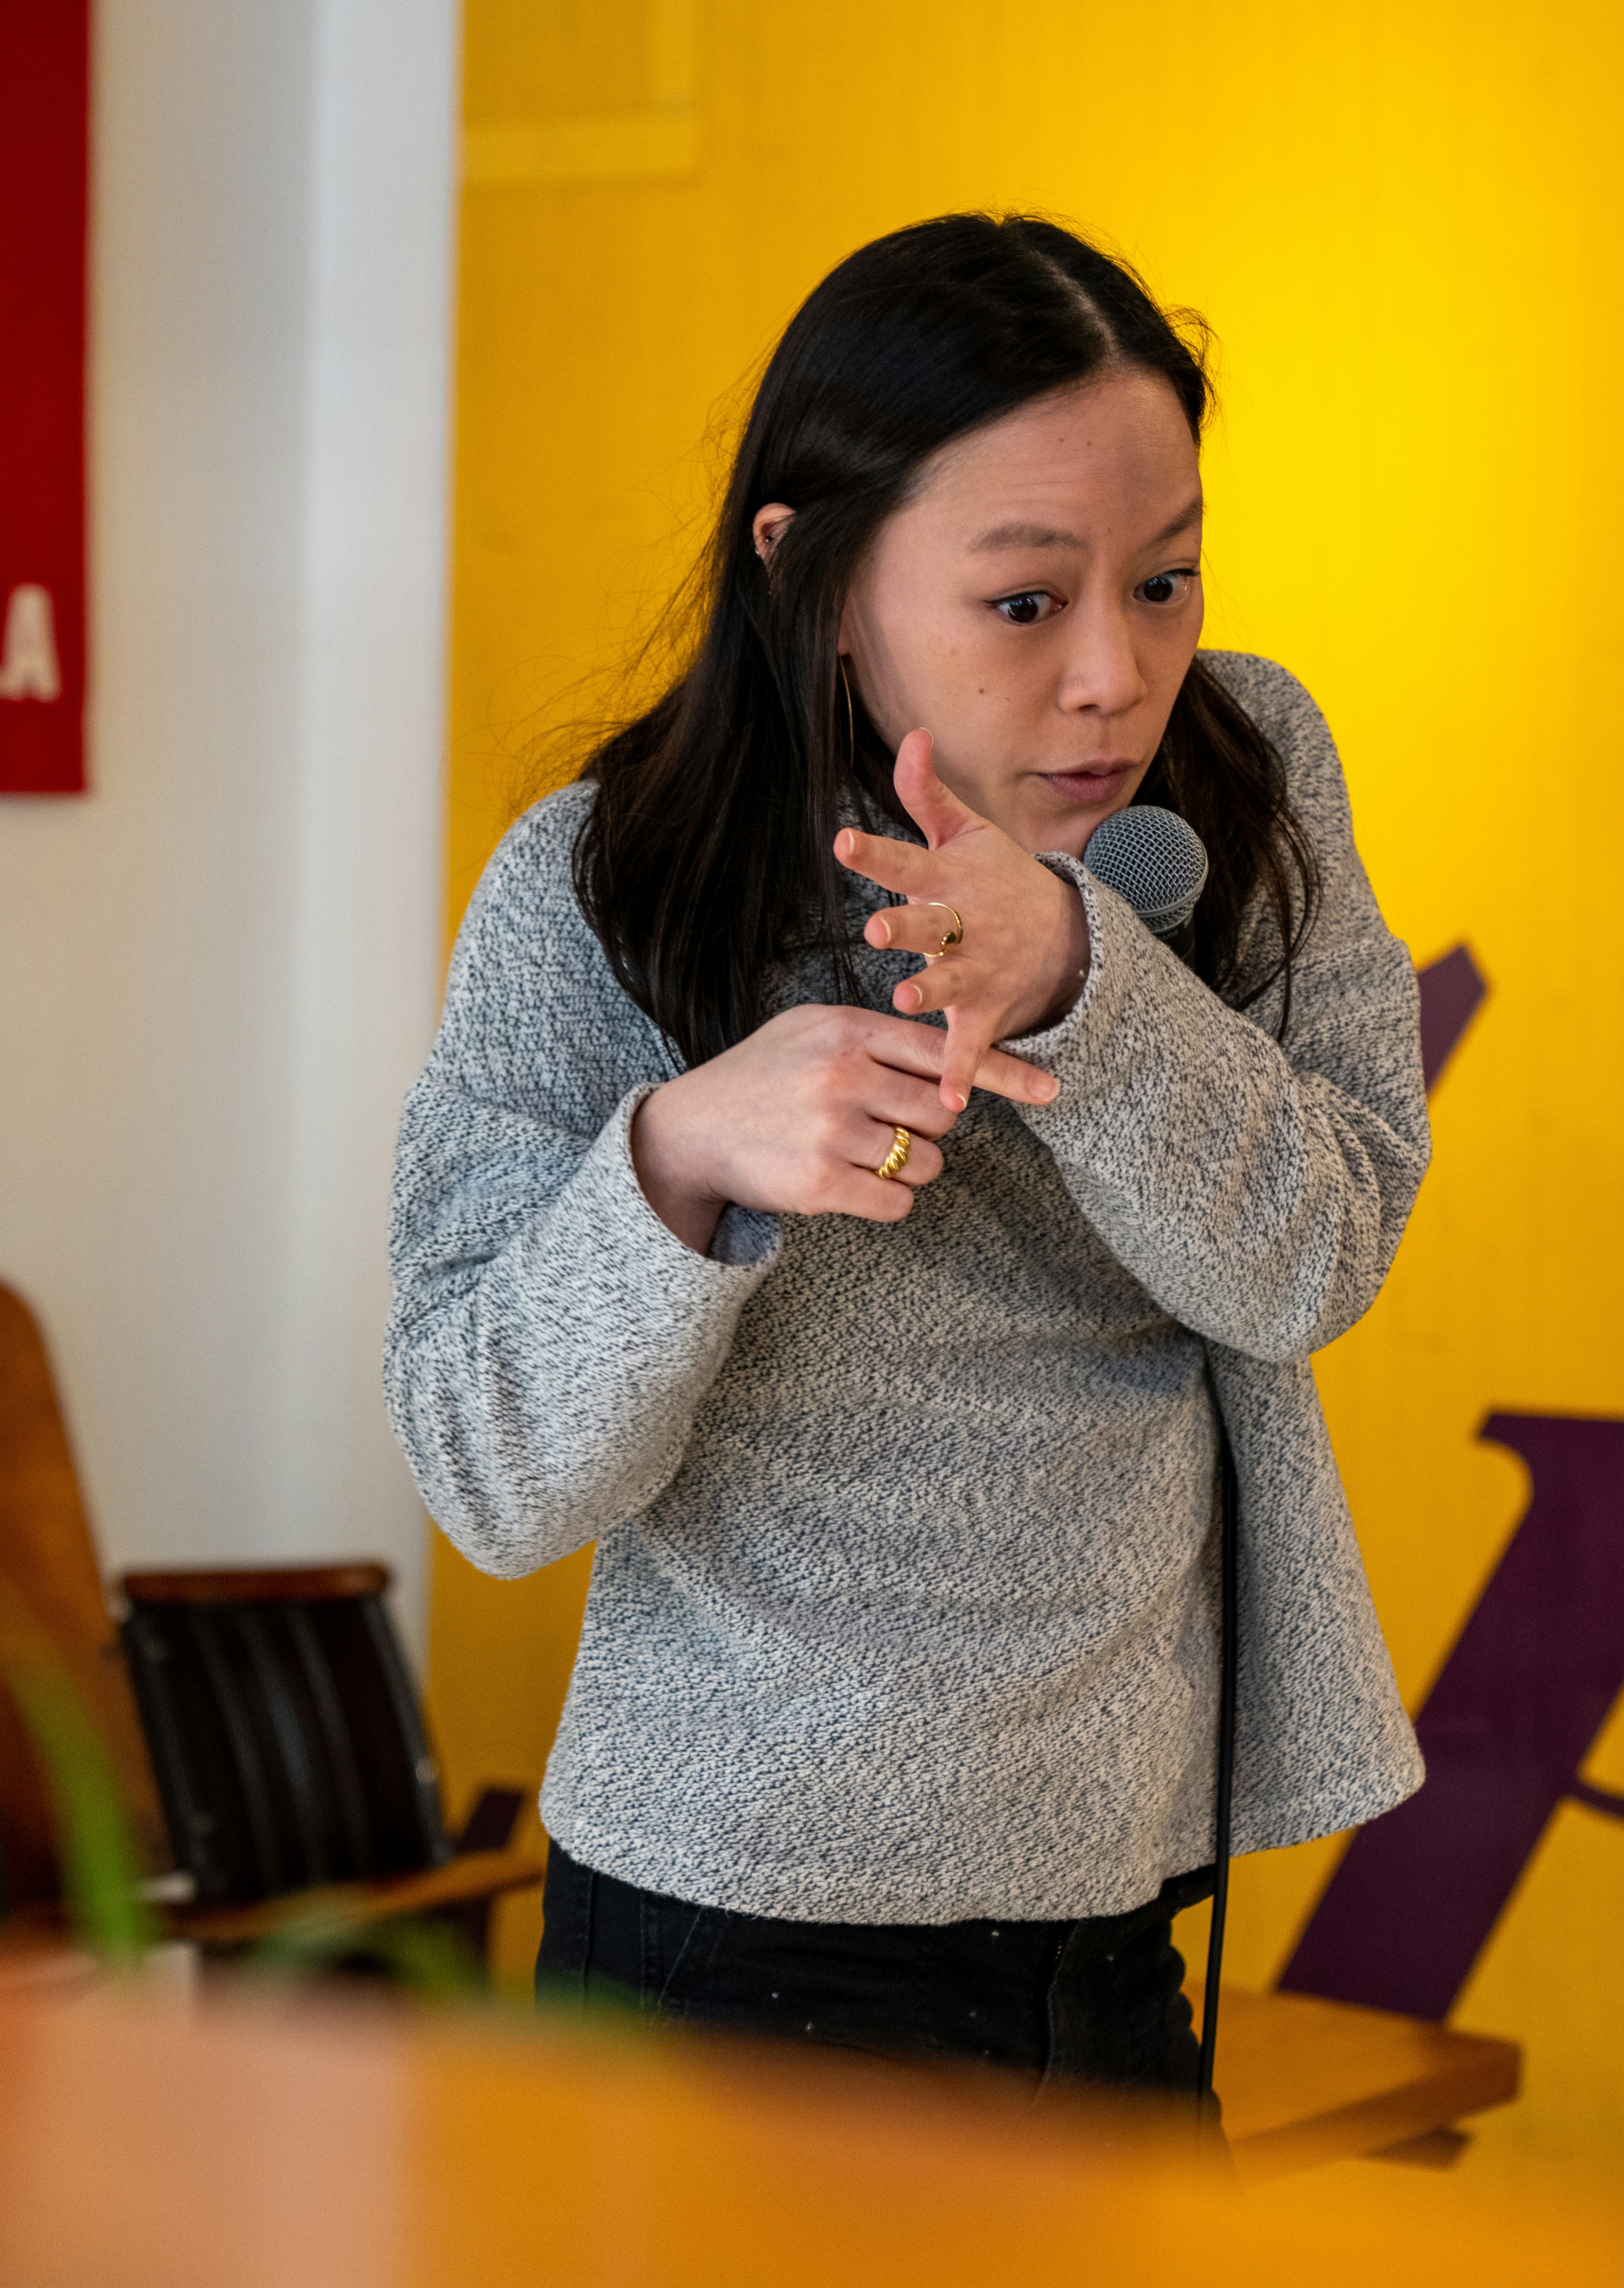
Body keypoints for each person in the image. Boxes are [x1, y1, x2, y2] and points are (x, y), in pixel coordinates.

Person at [386, 212, 1430, 2098]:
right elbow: (491, 1474)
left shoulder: (1251, 770)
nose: (1118, 674)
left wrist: (1079, 980)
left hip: (1116, 1929)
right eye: (1025, 603)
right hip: (722, 1940)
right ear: (817, 578)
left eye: (1169, 579)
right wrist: (676, 1157)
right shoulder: (603, 882)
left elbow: (1315, 1257)